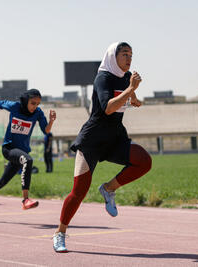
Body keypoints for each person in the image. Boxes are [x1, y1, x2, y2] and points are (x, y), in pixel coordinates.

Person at [52, 42, 152, 253]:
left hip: (115, 138)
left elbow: (128, 96)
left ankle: (108, 188)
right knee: (79, 192)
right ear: (112, 57)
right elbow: (107, 108)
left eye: (131, 55)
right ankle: (60, 233)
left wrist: (135, 99)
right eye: (124, 54)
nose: (129, 58)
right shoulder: (102, 78)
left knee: (144, 161)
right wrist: (131, 90)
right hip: (93, 141)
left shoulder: (125, 77)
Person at [0, 89, 56, 210]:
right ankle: (25, 200)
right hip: (8, 148)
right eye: (33, 103)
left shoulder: (38, 113)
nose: (35, 106)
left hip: (21, 152)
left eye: (38, 104)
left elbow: (47, 130)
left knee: (3, 181)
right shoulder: (15, 106)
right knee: (28, 160)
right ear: (26, 100)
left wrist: (51, 121)